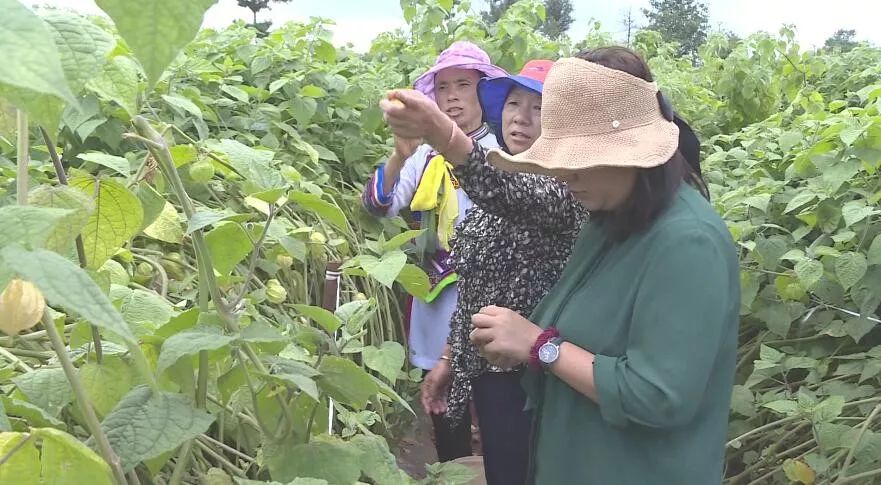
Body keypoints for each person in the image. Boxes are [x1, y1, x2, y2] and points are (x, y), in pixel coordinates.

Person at [460, 48, 740, 484]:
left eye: (580, 161)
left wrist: (540, 347)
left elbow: (658, 395)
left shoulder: (687, 243)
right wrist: (519, 339)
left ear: (633, 154)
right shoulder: (609, 220)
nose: (564, 175)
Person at [411, 59, 586, 485]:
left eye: (539, 108)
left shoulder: (564, 188)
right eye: (513, 103)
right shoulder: (502, 185)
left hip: (535, 376)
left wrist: (445, 135)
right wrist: (448, 360)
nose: (521, 118)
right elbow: (473, 288)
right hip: (490, 372)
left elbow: (507, 191)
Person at [361, 40, 507, 462]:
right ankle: (451, 467)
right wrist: (397, 157)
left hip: (493, 295)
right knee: (444, 402)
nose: (452, 96)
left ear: (484, 91)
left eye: (464, 84)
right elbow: (376, 205)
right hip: (437, 293)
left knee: (494, 397)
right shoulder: (424, 154)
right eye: (443, 88)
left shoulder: (502, 151)